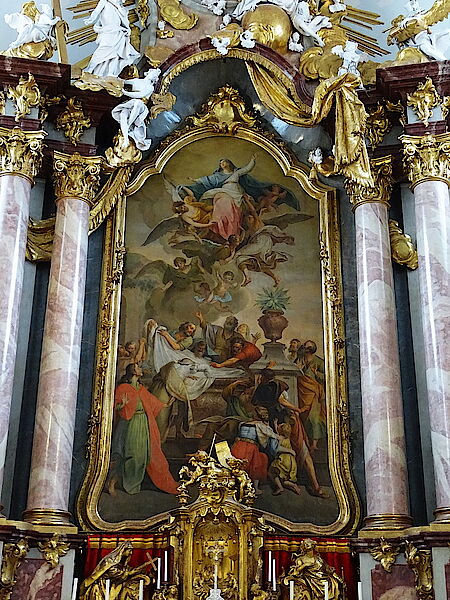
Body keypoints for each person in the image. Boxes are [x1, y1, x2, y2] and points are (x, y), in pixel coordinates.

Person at [108, 363, 179, 496]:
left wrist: (166, 404)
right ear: (133, 372)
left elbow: (153, 402)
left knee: (142, 456)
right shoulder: (123, 388)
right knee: (131, 455)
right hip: (131, 424)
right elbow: (114, 407)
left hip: (143, 423)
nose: (141, 369)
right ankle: (117, 482)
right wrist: (122, 404)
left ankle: (133, 486)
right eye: (138, 367)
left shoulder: (141, 389)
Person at [79, 541, 154, 600]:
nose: (131, 553)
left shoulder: (122, 562)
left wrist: (140, 569)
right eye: (129, 551)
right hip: (103, 585)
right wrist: (128, 573)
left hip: (115, 584)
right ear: (123, 550)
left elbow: (127, 569)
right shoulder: (110, 560)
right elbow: (113, 572)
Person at [84, 0, 140, 78]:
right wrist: (90, 19)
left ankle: (111, 72)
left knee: (116, 54)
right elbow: (96, 11)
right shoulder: (105, 2)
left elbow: (124, 18)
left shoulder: (120, 6)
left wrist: (119, 7)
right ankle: (89, 70)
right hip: (108, 32)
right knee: (101, 52)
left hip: (118, 32)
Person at [231, 406, 280, 494]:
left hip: (238, 446)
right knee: (260, 462)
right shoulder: (260, 425)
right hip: (250, 448)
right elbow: (272, 436)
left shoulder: (242, 423)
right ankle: (255, 488)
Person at [296, 340, 326, 451]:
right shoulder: (300, 360)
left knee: (314, 418)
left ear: (312, 349)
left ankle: (314, 443)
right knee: (304, 417)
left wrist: (316, 372)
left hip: (314, 393)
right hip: (302, 392)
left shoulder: (319, 362)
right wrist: (299, 368)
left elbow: (326, 377)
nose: (305, 348)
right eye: (304, 346)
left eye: (307, 347)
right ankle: (306, 441)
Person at [269, 422, 301, 495]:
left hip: (282, 460)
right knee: (284, 478)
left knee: (271, 472)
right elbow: (280, 434)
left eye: (279, 427)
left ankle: (280, 487)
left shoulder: (279, 438)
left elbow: (277, 447)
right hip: (290, 460)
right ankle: (294, 485)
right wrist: (275, 425)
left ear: (281, 430)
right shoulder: (287, 438)